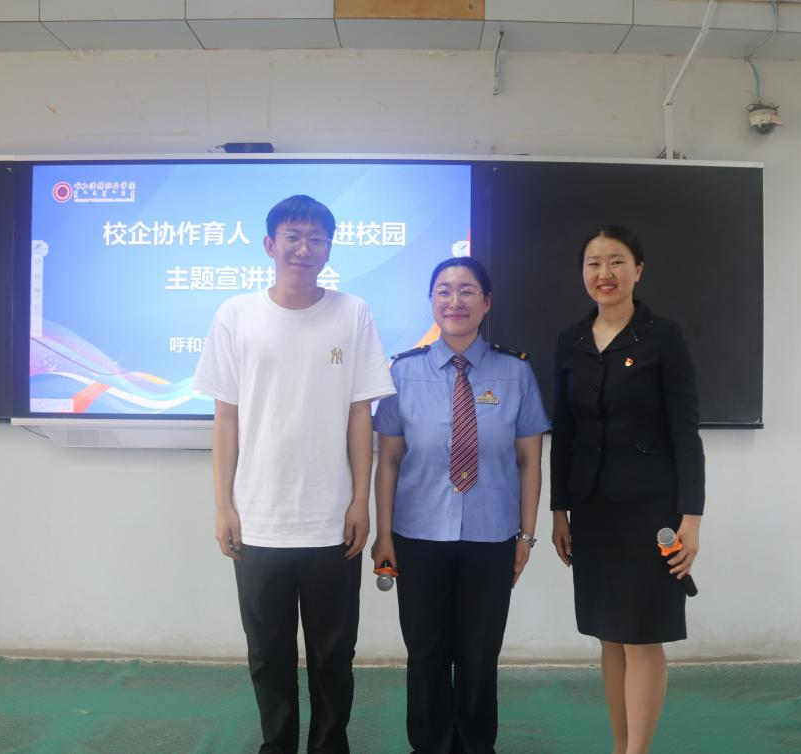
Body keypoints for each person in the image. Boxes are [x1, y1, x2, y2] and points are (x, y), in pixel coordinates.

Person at [193, 194, 396, 754]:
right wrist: (223, 506)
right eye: (292, 236)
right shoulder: (235, 315)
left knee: (334, 656)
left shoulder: (353, 313)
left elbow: (360, 414)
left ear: (329, 248)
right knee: (268, 655)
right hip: (259, 519)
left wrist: (360, 502)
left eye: (316, 238)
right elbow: (226, 419)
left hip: (332, 520)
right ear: (269, 245)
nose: (304, 248)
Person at [371, 256, 550, 754]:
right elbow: (388, 462)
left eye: (467, 291)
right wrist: (383, 535)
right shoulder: (403, 372)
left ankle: (475, 745)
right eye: (444, 291)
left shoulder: (516, 372)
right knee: (426, 654)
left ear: (486, 302)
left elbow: (530, 462)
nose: (455, 301)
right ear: (432, 301)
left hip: (492, 538)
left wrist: (526, 535)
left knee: (478, 655)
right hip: (418, 537)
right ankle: (429, 745)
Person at [550, 225, 705, 754]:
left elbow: (685, 431)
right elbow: (565, 432)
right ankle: (620, 746)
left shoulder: (663, 336)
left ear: (638, 270)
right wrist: (559, 510)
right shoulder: (570, 341)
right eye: (593, 263)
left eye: (616, 261)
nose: (605, 273)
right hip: (593, 510)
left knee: (642, 635)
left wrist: (691, 517)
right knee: (610, 635)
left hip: (650, 512)